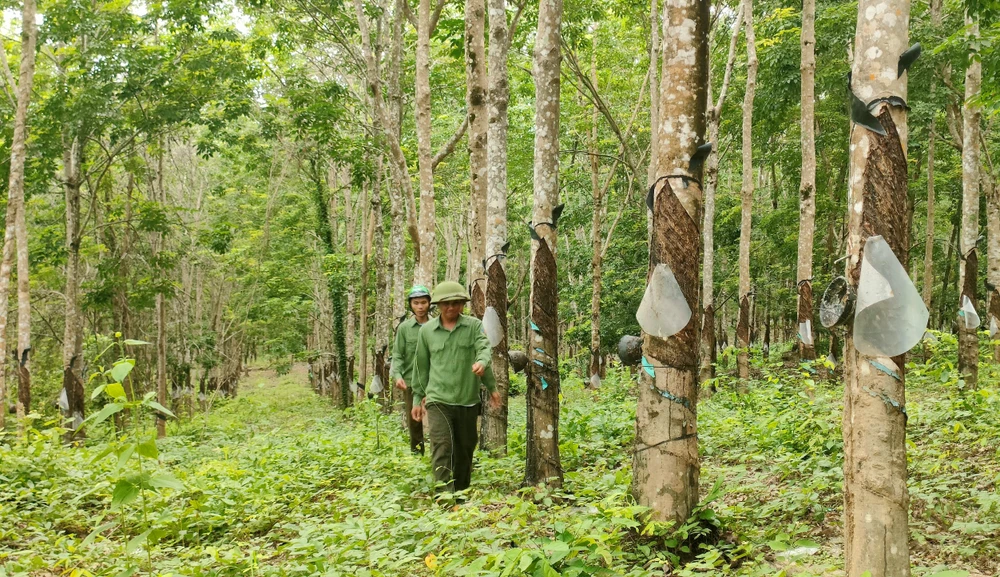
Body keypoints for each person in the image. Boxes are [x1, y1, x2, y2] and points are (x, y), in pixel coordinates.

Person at [412, 281, 500, 493]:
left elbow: (484, 350)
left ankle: (461, 492)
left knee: (465, 447)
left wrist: (492, 388)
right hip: (438, 399)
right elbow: (421, 367)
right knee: (442, 446)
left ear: (463, 304)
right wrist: (417, 398)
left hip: (467, 400)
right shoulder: (427, 332)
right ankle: (444, 496)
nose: (451, 308)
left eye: (456, 303)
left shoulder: (474, 326)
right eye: (446, 304)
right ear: (438, 305)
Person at [389, 285, 431, 454]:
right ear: (410, 305)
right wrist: (397, 375)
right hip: (411, 381)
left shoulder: (437, 325)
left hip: (435, 381)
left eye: (423, 302)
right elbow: (397, 354)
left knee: (439, 420)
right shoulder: (404, 328)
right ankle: (417, 454)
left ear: (429, 303)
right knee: (415, 420)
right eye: (416, 303)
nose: (420, 307)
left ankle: (440, 456)